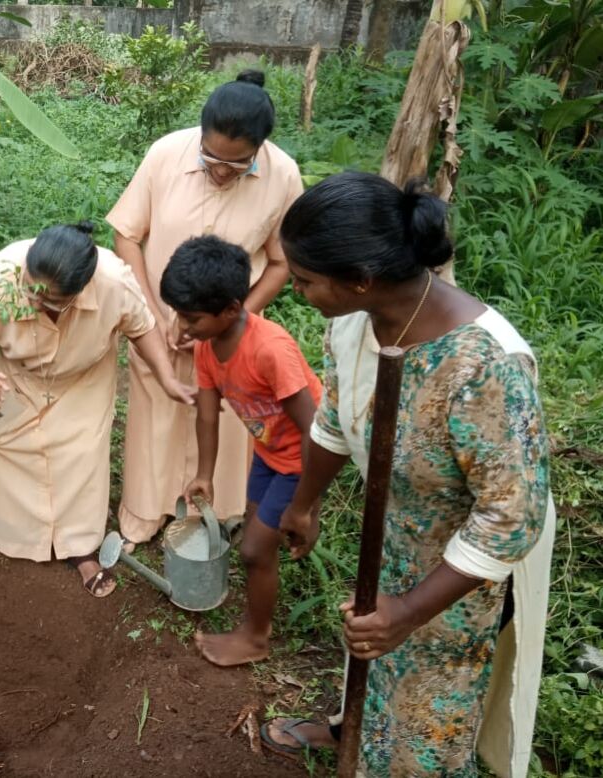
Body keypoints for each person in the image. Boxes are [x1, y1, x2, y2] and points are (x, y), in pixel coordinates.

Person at [260, 172, 554, 778]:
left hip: (469, 563)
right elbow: (338, 420)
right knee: (368, 641)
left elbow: (508, 516)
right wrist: (305, 504)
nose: (298, 290)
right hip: (392, 523)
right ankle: (355, 731)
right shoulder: (353, 319)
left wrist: (412, 610)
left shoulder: (484, 365)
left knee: (432, 693)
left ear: (359, 279)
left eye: (307, 280)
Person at [107, 70, 304, 548]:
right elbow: (127, 234)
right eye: (211, 158)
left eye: (235, 166)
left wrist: (234, 321)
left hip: (229, 333)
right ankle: (146, 512)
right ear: (200, 135)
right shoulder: (164, 154)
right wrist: (152, 312)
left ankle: (211, 511)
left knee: (225, 419)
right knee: (156, 413)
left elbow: (280, 262)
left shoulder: (284, 175)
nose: (220, 172)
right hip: (160, 321)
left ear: (260, 148)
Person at [0, 223, 195, 597]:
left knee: (81, 458)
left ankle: (79, 547)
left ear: (82, 288)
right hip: (14, 378)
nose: (36, 303)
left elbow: (142, 328)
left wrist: (166, 377)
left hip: (81, 381)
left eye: (50, 301)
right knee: (2, 454)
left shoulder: (114, 281)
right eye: (32, 294)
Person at [163, 236, 322, 666]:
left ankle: (257, 638)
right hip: (269, 453)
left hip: (303, 459)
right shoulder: (207, 346)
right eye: (179, 315)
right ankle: (259, 600)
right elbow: (208, 413)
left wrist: (307, 507)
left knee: (253, 548)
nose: (182, 328)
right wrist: (205, 473)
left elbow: (316, 432)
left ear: (232, 309)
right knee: (257, 528)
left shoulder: (270, 350)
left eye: (190, 318)